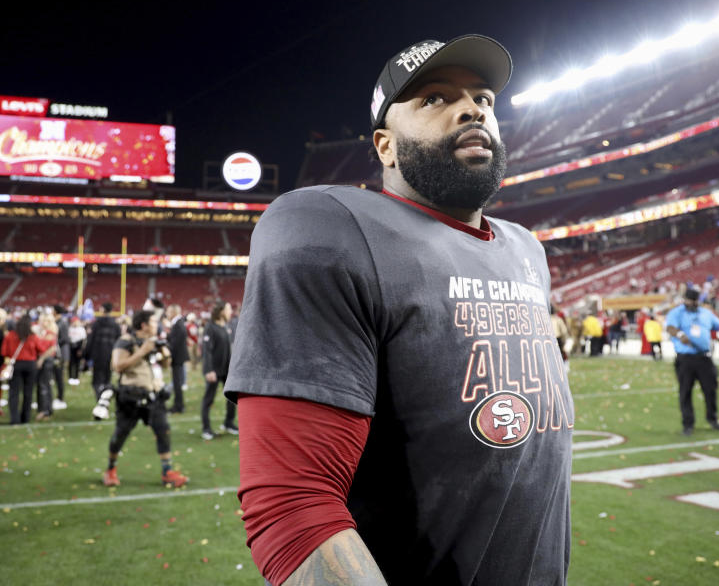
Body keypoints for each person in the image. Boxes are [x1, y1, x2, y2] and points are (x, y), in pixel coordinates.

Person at [225, 35, 573, 585]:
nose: (471, 108)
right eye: (434, 98)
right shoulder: (331, 225)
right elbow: (293, 505)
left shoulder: (526, 249)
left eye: (483, 97)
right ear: (384, 146)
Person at [101, 310, 187, 488]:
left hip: (153, 396)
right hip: (130, 396)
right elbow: (117, 365)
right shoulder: (125, 340)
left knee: (163, 431)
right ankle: (110, 469)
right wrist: (142, 352)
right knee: (121, 434)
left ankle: (167, 472)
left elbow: (165, 364)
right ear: (144, 325)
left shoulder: (153, 342)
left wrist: (164, 352)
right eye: (154, 322)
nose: (158, 325)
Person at [666, 287, 719, 436]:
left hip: (704, 358)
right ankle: (688, 424)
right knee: (685, 392)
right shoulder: (677, 313)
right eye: (689, 300)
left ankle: (712, 418)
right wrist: (680, 334)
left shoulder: (705, 313)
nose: (692, 303)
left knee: (710, 389)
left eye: (694, 300)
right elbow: (670, 328)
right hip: (685, 359)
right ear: (684, 300)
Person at [0, 314, 52, 424]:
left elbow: (4, 352)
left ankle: (14, 418)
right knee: (28, 392)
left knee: (14, 392)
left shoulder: (10, 336)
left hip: (16, 365)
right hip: (30, 365)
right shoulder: (32, 336)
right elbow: (42, 349)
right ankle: (26, 418)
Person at [201, 301, 237, 440]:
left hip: (227, 369)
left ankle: (228, 423)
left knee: (231, 398)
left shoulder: (225, 326)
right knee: (208, 399)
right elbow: (207, 350)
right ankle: (206, 429)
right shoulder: (210, 327)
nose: (230, 312)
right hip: (214, 370)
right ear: (221, 311)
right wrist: (209, 370)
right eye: (228, 309)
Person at [86, 302, 121, 398]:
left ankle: (99, 397)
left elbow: (91, 340)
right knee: (107, 378)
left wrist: (86, 354)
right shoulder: (115, 324)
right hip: (111, 354)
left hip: (98, 355)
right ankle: (105, 398)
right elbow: (118, 340)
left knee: (97, 379)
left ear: (103, 309)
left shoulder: (96, 323)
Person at [165, 304, 189, 413]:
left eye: (169, 311)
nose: (167, 313)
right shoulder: (178, 323)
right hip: (178, 357)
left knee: (177, 383)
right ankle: (178, 404)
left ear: (174, 312)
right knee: (177, 382)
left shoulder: (178, 324)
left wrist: (168, 354)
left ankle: (178, 406)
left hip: (177, 358)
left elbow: (175, 343)